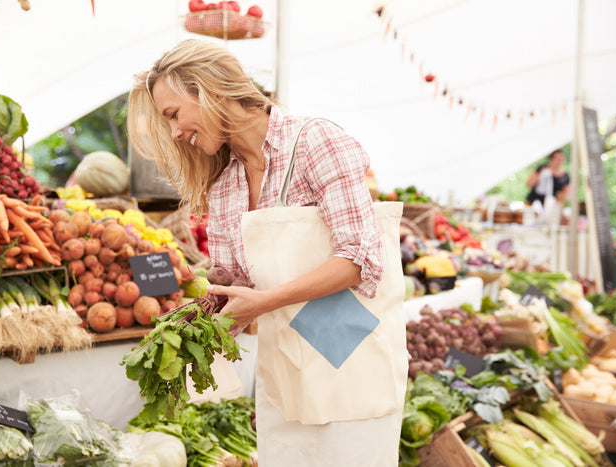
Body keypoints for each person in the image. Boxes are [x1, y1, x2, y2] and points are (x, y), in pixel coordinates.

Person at [126, 39, 406, 466]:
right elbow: (236, 284)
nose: (175, 132)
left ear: (207, 90)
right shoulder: (225, 186)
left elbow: (358, 260)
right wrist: (188, 323)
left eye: (173, 114)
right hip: (287, 366)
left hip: (350, 356)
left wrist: (264, 302)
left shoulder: (317, 141)